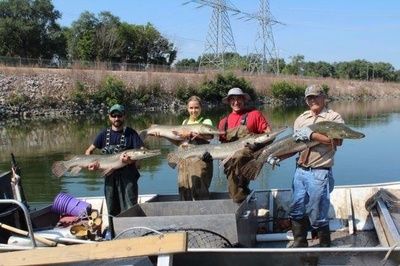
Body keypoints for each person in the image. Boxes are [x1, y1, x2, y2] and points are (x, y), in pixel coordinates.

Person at [288, 84, 344, 247]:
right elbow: (295, 144)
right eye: (309, 98)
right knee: (296, 207)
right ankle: (300, 243)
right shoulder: (301, 119)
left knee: (318, 211)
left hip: (319, 171)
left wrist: (312, 134)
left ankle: (324, 246)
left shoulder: (333, 118)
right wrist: (277, 157)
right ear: (306, 101)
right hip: (300, 170)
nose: (313, 100)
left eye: (316, 96)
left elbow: (337, 142)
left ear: (324, 97)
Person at [85, 104, 144, 236]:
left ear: (124, 116)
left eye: (119, 115)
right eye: (114, 115)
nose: (117, 118)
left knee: (130, 207)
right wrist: (91, 165)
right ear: (109, 117)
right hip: (110, 179)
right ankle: (114, 235)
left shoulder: (131, 134)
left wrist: (131, 161)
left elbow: (140, 160)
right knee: (112, 208)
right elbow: (89, 151)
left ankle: (131, 235)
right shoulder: (103, 134)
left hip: (128, 179)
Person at [218, 87, 271, 203]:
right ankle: (243, 197)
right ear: (228, 101)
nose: (236, 102)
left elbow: (269, 135)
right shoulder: (223, 122)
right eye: (233, 99)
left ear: (244, 100)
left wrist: (256, 146)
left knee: (240, 154)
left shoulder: (254, 114)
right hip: (230, 163)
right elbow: (222, 145)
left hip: (249, 157)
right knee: (235, 196)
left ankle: (243, 186)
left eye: (239, 99)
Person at [177, 96, 214, 201]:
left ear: (201, 108)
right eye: (191, 108)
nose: (194, 111)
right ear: (187, 108)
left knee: (200, 192)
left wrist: (192, 134)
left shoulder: (206, 122)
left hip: (200, 161)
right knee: (184, 191)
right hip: (184, 162)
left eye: (196, 108)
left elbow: (210, 137)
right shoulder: (184, 123)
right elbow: (179, 142)